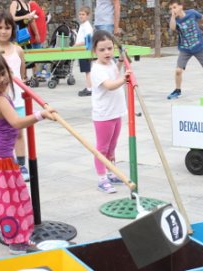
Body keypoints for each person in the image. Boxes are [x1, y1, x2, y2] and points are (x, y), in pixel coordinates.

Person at [0, 49, 56, 254]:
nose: (1, 79)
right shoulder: (0, 100)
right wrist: (41, 115)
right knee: (12, 198)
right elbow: (17, 122)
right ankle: (17, 241)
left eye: (3, 73)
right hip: (0, 157)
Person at [0, 9, 30, 181]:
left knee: (19, 132)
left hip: (17, 99)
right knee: (2, 133)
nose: (3, 31)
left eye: (7, 27)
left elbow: (22, 75)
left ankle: (21, 164)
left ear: (13, 29)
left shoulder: (18, 50)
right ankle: (5, 162)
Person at [90, 30, 131, 193]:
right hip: (104, 115)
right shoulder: (97, 69)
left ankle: (110, 172)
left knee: (112, 146)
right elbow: (110, 85)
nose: (107, 52)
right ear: (95, 51)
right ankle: (102, 178)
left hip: (116, 112)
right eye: (102, 50)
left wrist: (120, 61)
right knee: (102, 148)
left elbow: (115, 74)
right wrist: (124, 78)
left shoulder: (111, 63)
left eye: (109, 48)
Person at [75, 6, 94, 97]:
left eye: (83, 14)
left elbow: (88, 40)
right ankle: (88, 87)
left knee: (88, 70)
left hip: (85, 50)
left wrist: (76, 45)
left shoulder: (87, 26)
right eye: (80, 14)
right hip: (81, 50)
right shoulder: (82, 25)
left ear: (88, 16)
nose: (81, 16)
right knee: (86, 70)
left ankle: (89, 88)